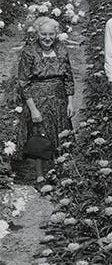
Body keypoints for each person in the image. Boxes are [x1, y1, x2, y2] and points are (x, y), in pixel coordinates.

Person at [16, 17, 77, 180]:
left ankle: (62, 172)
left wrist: (70, 101)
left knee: (61, 133)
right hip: (38, 99)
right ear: (37, 33)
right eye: (43, 34)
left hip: (59, 99)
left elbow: (68, 78)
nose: (47, 38)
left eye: (51, 34)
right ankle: (40, 175)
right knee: (39, 136)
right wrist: (33, 109)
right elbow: (23, 83)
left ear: (56, 34)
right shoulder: (29, 52)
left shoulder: (62, 50)